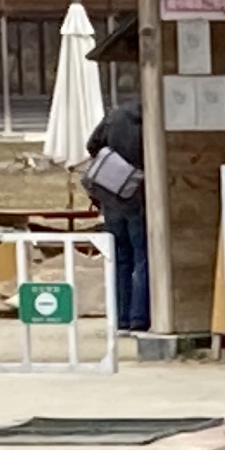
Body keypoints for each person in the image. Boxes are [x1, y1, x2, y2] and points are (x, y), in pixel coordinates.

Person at [84, 97, 148, 331]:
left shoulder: (114, 115)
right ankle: (139, 317)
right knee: (142, 257)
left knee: (120, 257)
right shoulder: (151, 119)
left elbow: (92, 145)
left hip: (111, 195)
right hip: (139, 195)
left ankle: (121, 317)